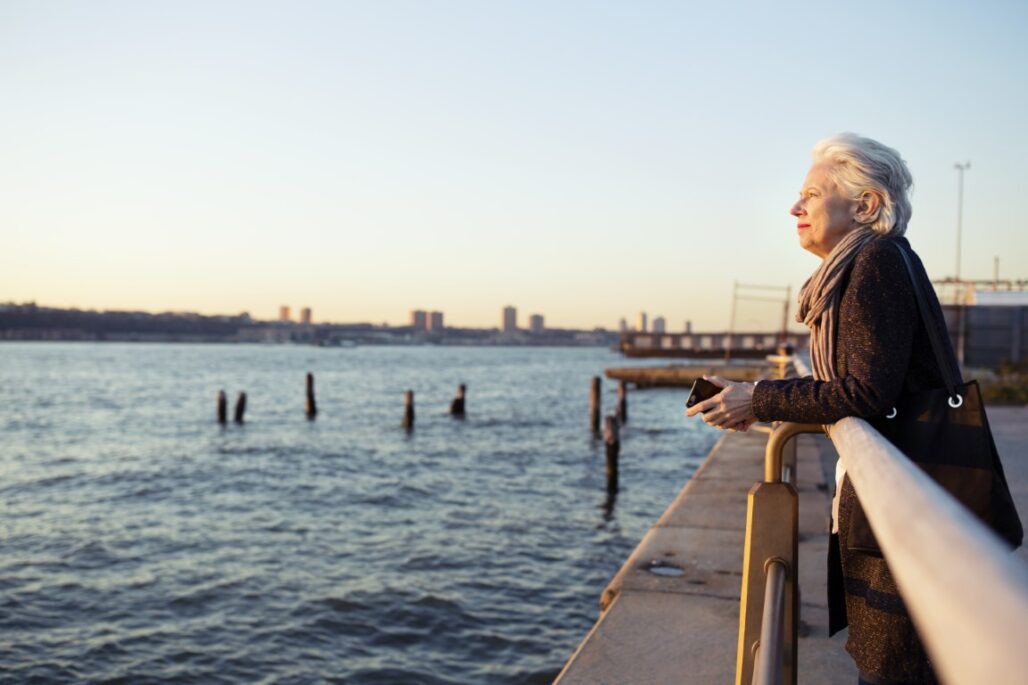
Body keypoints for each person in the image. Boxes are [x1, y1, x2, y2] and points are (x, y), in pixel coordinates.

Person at [686, 133, 957, 684]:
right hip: (906, 490)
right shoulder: (870, 263)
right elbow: (861, 384)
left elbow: (862, 393)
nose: (794, 207)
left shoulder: (875, 261)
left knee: (892, 668)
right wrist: (757, 398)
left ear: (865, 205)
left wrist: (758, 397)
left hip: (904, 504)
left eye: (810, 195)